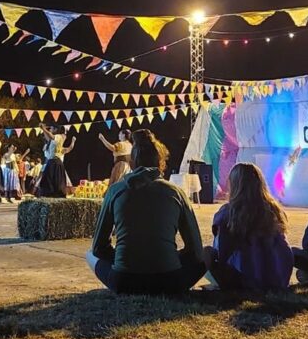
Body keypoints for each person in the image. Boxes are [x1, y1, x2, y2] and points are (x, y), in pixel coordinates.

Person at [87, 129, 205, 295]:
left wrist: (127, 260)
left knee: (89, 254)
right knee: (208, 254)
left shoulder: (115, 191)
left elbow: (98, 248)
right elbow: (196, 251)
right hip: (170, 281)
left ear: (131, 163)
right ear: (161, 163)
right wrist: (168, 258)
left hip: (124, 281)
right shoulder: (176, 192)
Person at [203, 163, 293, 290]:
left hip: (245, 281)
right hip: (277, 280)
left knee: (207, 252)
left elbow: (222, 252)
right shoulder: (274, 211)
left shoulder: (229, 213)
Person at [37, 124, 74, 198]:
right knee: (47, 180)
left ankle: (57, 196)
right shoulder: (52, 141)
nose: (50, 130)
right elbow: (48, 137)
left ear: (56, 129)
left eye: (51, 128)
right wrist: (43, 129)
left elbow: (51, 136)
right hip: (51, 162)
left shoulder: (60, 136)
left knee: (57, 182)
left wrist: (44, 128)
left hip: (56, 162)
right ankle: (48, 195)